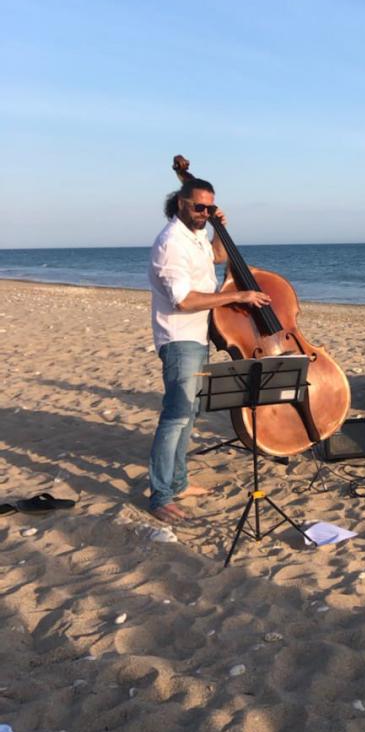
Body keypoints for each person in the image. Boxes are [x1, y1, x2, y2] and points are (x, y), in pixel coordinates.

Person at [148, 176, 272, 523]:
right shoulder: (172, 242)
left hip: (199, 336)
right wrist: (238, 295)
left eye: (209, 207)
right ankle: (160, 495)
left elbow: (216, 257)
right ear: (181, 204)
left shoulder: (197, 234)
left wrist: (218, 230)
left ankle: (178, 482)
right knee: (175, 416)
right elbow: (184, 300)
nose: (204, 212)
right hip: (179, 337)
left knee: (189, 414)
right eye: (198, 207)